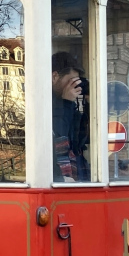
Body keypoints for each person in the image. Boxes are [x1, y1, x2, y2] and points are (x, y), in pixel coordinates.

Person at [51, 51, 89, 182]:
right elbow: (58, 135)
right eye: (70, 81)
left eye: (76, 82)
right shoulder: (46, 103)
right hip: (58, 176)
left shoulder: (69, 105)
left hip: (76, 173)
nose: (74, 86)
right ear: (54, 76)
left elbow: (80, 139)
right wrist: (66, 102)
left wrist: (89, 104)